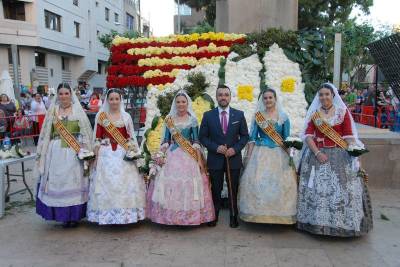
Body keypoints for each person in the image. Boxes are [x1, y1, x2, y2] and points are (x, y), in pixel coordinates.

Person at [297, 82, 373, 237]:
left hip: (340, 155)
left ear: (333, 95)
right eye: (321, 95)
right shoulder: (315, 114)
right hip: (317, 155)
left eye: (327, 94)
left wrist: (355, 154)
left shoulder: (342, 112)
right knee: (317, 190)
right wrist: (317, 153)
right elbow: (308, 136)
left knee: (343, 189)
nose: (324, 97)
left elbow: (349, 136)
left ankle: (341, 225)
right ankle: (316, 224)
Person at [146, 91, 215, 226]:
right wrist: (161, 152)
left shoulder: (193, 120)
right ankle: (170, 217)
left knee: (190, 185)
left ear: (187, 103)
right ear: (175, 104)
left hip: (189, 156)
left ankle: (188, 217)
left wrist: (196, 151)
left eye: (183, 102)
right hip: (172, 155)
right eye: (178, 102)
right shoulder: (169, 120)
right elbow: (166, 140)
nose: (181, 104)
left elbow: (196, 140)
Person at [35, 83, 94, 227]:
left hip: (74, 153)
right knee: (58, 182)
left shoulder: (78, 111)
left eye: (66, 93)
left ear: (71, 95)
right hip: (55, 153)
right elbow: (46, 132)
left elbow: (85, 132)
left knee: (74, 182)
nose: (63, 96)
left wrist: (86, 150)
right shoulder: (53, 111)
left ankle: (74, 216)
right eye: (60, 94)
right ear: (57, 96)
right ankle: (61, 216)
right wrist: (43, 150)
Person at [87, 89, 146, 225]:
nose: (114, 101)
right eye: (111, 99)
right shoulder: (101, 116)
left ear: (120, 100)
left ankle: (127, 216)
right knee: (107, 184)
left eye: (116, 99)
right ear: (107, 100)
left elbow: (130, 137)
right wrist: (97, 152)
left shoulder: (126, 117)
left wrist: (133, 152)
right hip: (106, 155)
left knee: (125, 183)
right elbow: (97, 137)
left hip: (123, 155)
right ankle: (107, 216)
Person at [238, 89, 297, 224]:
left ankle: (280, 215)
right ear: (262, 100)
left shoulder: (283, 117)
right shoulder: (258, 116)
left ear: (275, 99)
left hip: (279, 153)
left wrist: (291, 157)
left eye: (271, 97)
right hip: (260, 153)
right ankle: (259, 214)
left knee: (280, 183)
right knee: (258, 181)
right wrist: (247, 157)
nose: (268, 100)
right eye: (265, 98)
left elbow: (286, 138)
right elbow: (252, 138)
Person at [199, 85, 249, 228]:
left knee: (233, 188)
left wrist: (235, 149)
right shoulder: (208, 116)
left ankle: (234, 215)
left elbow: (245, 136)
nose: (223, 97)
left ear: (230, 97)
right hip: (215, 159)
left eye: (226, 94)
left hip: (233, 159)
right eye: (220, 95)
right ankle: (213, 215)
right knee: (215, 188)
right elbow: (203, 137)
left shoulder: (239, 115)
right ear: (216, 97)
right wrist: (216, 147)